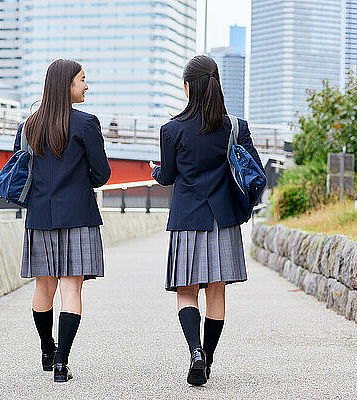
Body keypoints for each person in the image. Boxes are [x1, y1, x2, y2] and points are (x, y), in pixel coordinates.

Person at [150, 55, 264, 386]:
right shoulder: (235, 127)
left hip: (187, 218)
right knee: (217, 294)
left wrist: (156, 171)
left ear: (188, 88)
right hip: (223, 219)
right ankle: (209, 360)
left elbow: (168, 176)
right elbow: (254, 173)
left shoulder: (171, 130)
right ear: (216, 84)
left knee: (186, 292)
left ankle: (195, 352)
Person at [14, 59, 111, 383]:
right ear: (67, 84)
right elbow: (101, 175)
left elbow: (22, 171)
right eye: (83, 79)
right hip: (79, 216)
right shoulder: (86, 124)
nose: (86, 85)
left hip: (40, 216)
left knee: (43, 287)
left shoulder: (29, 126)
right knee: (71, 290)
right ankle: (61, 362)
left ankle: (46, 349)